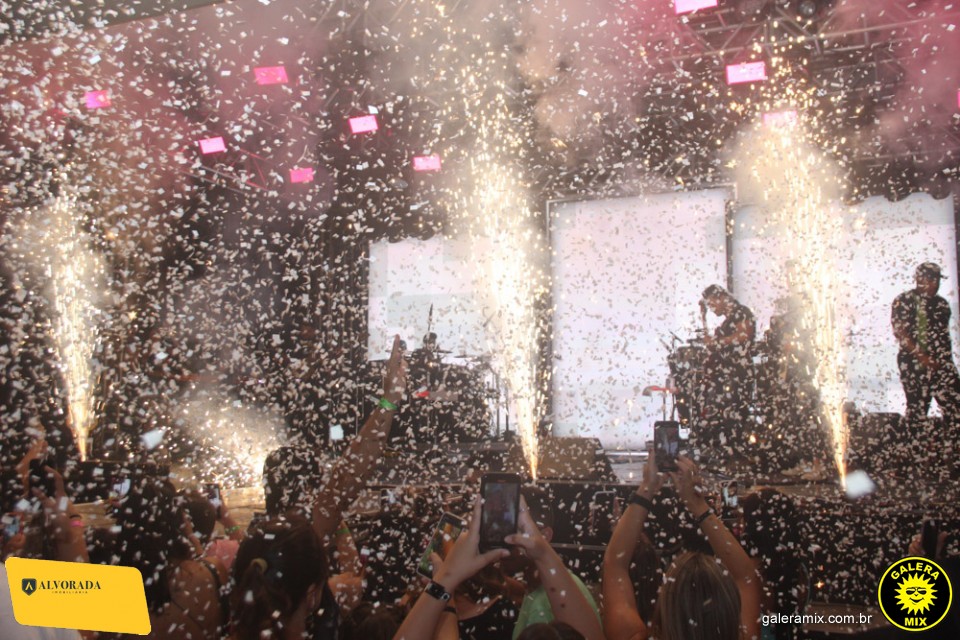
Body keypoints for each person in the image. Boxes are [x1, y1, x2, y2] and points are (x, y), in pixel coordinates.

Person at [602, 445, 762, 640]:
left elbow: (615, 564)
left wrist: (648, 487)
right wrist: (697, 504)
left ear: (665, 604)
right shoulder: (743, 635)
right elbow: (745, 576)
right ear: (729, 603)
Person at [393, 494, 604, 640]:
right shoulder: (529, 590)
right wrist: (544, 556)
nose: (506, 540)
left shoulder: (545, 597)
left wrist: (445, 580)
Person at [891, 262, 960, 424]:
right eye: (930, 279)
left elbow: (942, 339)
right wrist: (924, 358)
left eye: (937, 280)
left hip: (941, 365)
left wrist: (944, 364)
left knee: (956, 407)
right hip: (914, 365)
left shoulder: (941, 305)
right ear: (918, 279)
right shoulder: (904, 300)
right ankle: (914, 436)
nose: (934, 284)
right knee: (917, 410)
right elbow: (901, 333)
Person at [698, 285, 757, 458]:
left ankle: (737, 455)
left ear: (721, 298)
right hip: (726, 376)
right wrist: (703, 316)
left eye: (712, 304)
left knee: (736, 415)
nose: (712, 308)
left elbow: (744, 335)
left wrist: (718, 342)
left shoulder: (742, 312)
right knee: (724, 415)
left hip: (738, 375)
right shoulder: (728, 320)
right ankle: (726, 452)